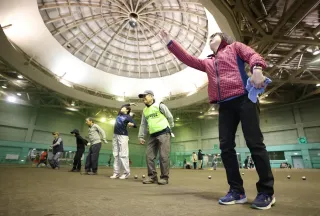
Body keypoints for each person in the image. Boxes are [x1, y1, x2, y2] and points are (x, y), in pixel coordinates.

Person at [161, 30, 275, 210]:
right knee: (225, 147)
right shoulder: (208, 62)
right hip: (225, 106)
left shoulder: (234, 47)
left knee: (255, 143)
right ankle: (237, 191)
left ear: (223, 38)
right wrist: (170, 43)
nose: (209, 39)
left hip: (245, 99)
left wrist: (257, 69)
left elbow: (252, 55)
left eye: (213, 36)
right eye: (209, 39)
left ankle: (266, 192)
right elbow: (188, 59)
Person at [138, 90, 174, 185]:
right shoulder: (145, 110)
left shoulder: (160, 105)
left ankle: (164, 178)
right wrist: (141, 136)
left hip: (164, 133)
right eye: (142, 97)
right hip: (153, 135)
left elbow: (169, 117)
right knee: (149, 156)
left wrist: (170, 128)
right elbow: (143, 124)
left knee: (163, 156)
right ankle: (152, 177)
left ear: (151, 96)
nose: (143, 99)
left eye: (145, 96)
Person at [110, 103, 137, 180]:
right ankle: (116, 173)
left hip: (123, 136)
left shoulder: (128, 117)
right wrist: (129, 103)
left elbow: (135, 125)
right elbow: (122, 105)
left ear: (127, 110)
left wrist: (131, 124)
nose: (121, 108)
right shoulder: (119, 114)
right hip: (115, 135)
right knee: (116, 155)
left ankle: (126, 173)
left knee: (123, 155)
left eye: (124, 108)